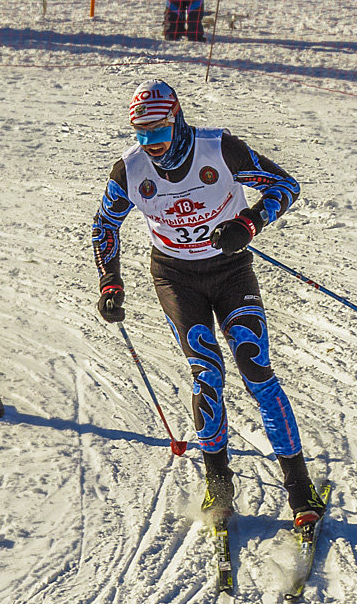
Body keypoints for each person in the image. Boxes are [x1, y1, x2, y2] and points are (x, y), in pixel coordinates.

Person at [91, 79, 325, 529]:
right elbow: (104, 226)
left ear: (177, 119)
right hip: (177, 278)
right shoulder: (131, 171)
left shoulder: (220, 149)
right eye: (142, 135)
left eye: (158, 133)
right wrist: (110, 282)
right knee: (207, 372)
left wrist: (249, 223)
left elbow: (285, 186)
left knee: (255, 367)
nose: (152, 146)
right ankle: (218, 486)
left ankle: (300, 487)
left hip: (230, 271)